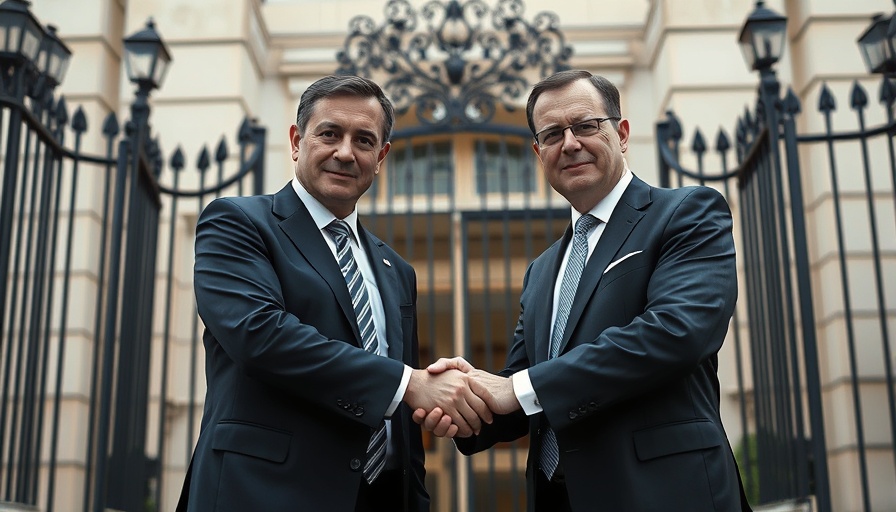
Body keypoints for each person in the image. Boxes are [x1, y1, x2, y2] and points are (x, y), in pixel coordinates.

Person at [415, 70, 751, 511]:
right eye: (552, 134)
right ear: (539, 152)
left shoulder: (687, 214)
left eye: (586, 125)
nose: (570, 143)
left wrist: (515, 388)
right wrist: (457, 406)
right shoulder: (541, 272)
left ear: (622, 133)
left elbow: (675, 333)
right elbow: (518, 388)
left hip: (664, 492)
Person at [177, 74, 492, 512]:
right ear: (296, 140)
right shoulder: (238, 223)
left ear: (380, 156)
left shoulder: (396, 270)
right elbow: (259, 334)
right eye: (330, 134)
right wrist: (410, 383)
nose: (345, 152)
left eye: (364, 140)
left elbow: (402, 420)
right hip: (263, 492)